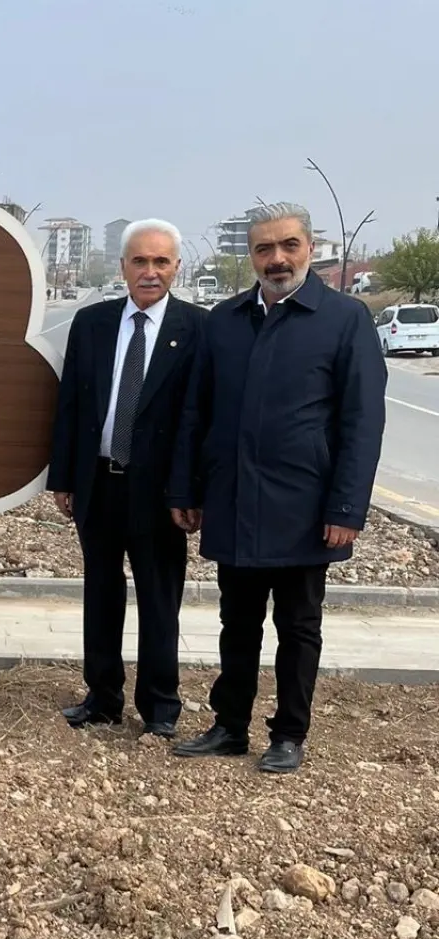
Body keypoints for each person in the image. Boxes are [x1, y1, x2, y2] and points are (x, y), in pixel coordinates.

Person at [170, 205, 386, 773]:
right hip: (234, 500)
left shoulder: (345, 320)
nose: (277, 258)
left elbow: (361, 424)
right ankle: (230, 725)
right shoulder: (225, 321)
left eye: (288, 245)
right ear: (251, 257)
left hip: (305, 507)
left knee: (297, 626)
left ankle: (289, 733)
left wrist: (347, 507)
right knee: (236, 623)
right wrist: (185, 489)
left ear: (309, 249)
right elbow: (198, 413)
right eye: (264, 249)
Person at [48, 220, 206, 736]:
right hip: (99, 482)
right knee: (101, 593)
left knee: (160, 600)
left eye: (162, 262)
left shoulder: (197, 329)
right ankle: (102, 697)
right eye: (140, 261)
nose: (151, 272)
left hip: (160, 494)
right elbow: (70, 404)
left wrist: (188, 490)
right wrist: (64, 478)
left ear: (176, 267)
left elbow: (197, 420)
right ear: (123, 267)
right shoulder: (91, 323)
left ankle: (160, 706)